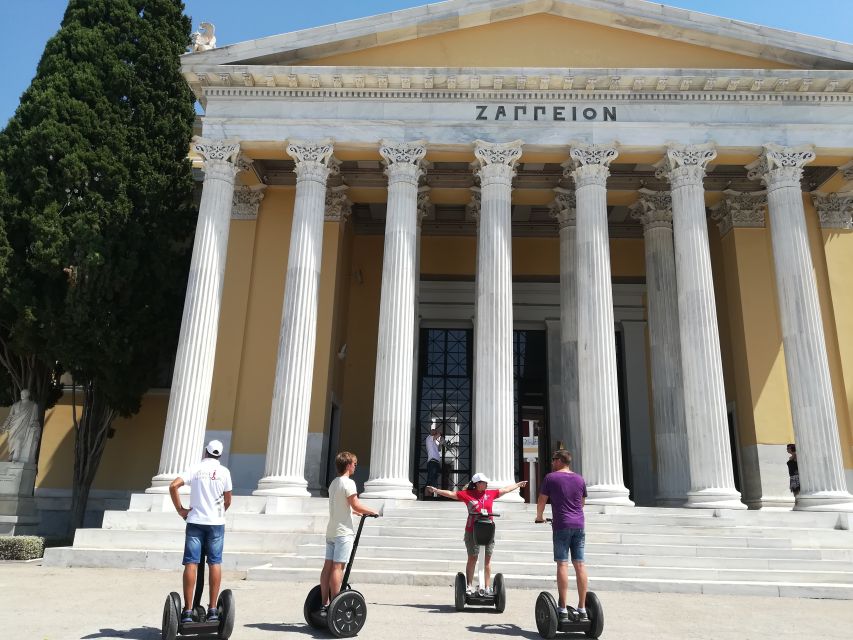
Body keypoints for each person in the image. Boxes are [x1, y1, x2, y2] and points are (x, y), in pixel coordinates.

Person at [427, 473, 527, 595]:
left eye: (486, 482)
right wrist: (436, 490)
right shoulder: (467, 495)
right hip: (472, 531)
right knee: (472, 558)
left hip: (488, 531)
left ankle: (487, 587)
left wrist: (517, 485)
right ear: (476, 484)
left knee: (487, 560)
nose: (486, 484)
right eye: (483, 482)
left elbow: (505, 490)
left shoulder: (491, 494)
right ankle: (469, 585)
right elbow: (451, 494)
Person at [169, 439, 233, 625]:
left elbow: (173, 486)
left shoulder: (195, 468)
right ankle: (213, 610)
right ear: (220, 455)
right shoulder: (224, 472)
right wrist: (217, 513)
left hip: (195, 521)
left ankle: (188, 611)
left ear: (206, 452)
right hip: (216, 523)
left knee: (191, 563)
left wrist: (180, 509)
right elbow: (228, 500)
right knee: (215, 562)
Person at [320, 451, 379, 618]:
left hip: (331, 530)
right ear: (348, 465)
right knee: (338, 567)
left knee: (328, 566)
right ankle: (335, 604)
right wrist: (374, 511)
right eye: (354, 463)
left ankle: (325, 603)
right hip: (343, 533)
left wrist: (354, 513)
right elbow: (356, 504)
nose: (355, 466)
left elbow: (343, 506)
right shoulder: (349, 483)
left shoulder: (334, 483)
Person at [535, 449, 588, 623]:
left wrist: (539, 517)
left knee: (562, 564)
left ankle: (563, 607)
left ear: (559, 461)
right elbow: (581, 503)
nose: (551, 462)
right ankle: (582, 607)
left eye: (553, 459)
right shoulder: (579, 479)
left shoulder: (551, 478)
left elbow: (542, 500)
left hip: (562, 525)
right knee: (580, 565)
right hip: (579, 525)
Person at [1, 389, 40, 463]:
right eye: (21, 394)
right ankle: (11, 454)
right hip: (14, 426)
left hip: (25, 427)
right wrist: (4, 426)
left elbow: (35, 418)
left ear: (28, 395)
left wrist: (35, 425)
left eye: (24, 394)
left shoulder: (33, 405)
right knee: (12, 441)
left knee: (19, 440)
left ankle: (15, 457)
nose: (22, 395)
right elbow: (10, 417)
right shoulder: (15, 405)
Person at [424, 421, 443, 498]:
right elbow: (438, 434)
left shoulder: (435, 441)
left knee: (434, 480)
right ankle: (426, 495)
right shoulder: (429, 438)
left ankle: (432, 495)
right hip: (432, 462)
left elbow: (439, 449)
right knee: (430, 479)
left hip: (436, 462)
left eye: (435, 430)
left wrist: (441, 442)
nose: (434, 431)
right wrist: (439, 433)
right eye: (433, 430)